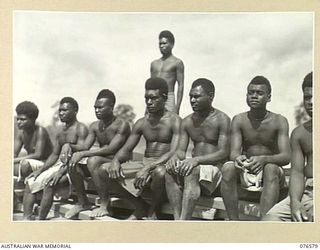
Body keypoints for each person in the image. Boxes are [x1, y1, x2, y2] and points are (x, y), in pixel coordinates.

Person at [99, 77, 181, 219]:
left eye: (153, 98)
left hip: (163, 165)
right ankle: (140, 206)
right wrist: (116, 161)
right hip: (145, 163)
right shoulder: (142, 123)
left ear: (164, 97)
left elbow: (175, 151)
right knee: (103, 170)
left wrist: (148, 168)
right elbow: (126, 149)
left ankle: (153, 211)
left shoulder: (175, 121)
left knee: (160, 173)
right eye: (146, 98)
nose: (149, 102)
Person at [221, 76, 291, 220]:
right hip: (248, 169)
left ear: (269, 97)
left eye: (259, 93)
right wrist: (238, 158)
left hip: (271, 172)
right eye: (251, 92)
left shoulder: (279, 121)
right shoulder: (239, 120)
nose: (254, 96)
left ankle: (265, 225)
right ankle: (234, 222)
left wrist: (264, 159)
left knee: (270, 168)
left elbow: (286, 156)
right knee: (228, 167)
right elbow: (233, 153)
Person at [165, 78, 230, 220]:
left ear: (211, 96)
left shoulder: (222, 119)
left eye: (197, 96)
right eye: (190, 96)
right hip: (195, 168)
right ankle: (177, 219)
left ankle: (184, 221)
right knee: (169, 171)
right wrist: (174, 158)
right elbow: (181, 151)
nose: (192, 100)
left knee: (192, 170)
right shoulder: (187, 121)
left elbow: (223, 152)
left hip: (214, 171)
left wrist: (196, 160)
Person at [65, 89, 131, 218]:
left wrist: (83, 154)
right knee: (72, 160)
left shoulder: (122, 125)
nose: (96, 110)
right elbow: (84, 146)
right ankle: (83, 202)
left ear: (111, 106)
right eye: (95, 107)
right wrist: (69, 146)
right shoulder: (95, 126)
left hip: (117, 163)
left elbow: (112, 149)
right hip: (98, 163)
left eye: (100, 107)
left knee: (92, 160)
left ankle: (105, 204)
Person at [22, 97, 88, 220]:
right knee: (30, 182)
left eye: (65, 110)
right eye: (60, 110)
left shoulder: (81, 129)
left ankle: (41, 221)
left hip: (74, 169)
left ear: (75, 110)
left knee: (49, 184)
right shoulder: (61, 132)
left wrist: (60, 172)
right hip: (60, 166)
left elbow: (81, 154)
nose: (61, 113)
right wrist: (39, 171)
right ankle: (26, 218)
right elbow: (54, 155)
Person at [262, 72, 313, 222]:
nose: (311, 102)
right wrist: (295, 202)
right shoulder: (299, 133)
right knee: (265, 225)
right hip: (306, 192)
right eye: (307, 97)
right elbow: (297, 173)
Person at [14, 101, 53, 182]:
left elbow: (38, 155)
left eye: (22, 119)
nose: (18, 122)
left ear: (32, 119)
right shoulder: (21, 133)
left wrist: (14, 160)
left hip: (45, 164)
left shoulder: (40, 131)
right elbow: (14, 154)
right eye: (17, 119)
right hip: (32, 163)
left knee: (24, 165)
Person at [150, 30, 184, 114]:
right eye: (160, 44)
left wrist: (177, 107)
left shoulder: (177, 62)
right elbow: (150, 85)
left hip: (168, 97)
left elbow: (180, 85)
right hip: (154, 97)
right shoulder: (154, 64)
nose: (161, 46)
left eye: (164, 43)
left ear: (172, 44)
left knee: (170, 122)